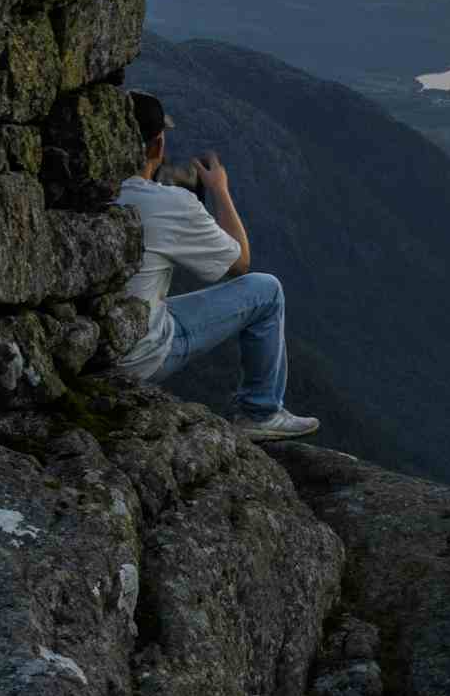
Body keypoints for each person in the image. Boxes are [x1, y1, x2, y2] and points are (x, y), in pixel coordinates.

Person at [113, 90, 320, 442]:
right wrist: (220, 190)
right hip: (136, 354)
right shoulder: (169, 204)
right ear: (157, 144)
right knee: (265, 290)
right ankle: (260, 412)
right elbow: (239, 263)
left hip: (88, 344)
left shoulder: (82, 187)